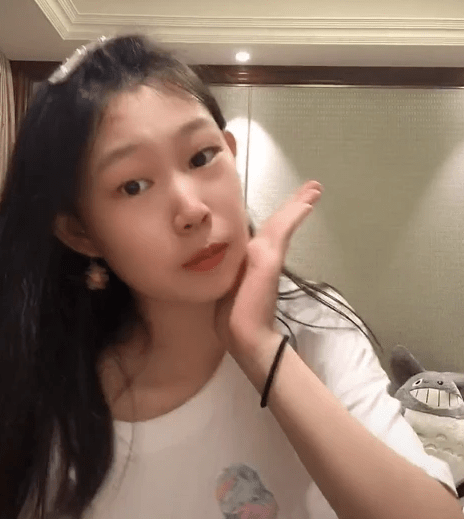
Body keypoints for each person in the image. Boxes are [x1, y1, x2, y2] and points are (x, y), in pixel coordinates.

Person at [0, 35, 461, 519]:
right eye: (134, 185)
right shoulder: (39, 388)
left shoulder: (315, 328)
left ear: (230, 151)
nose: (192, 209)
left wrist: (261, 349)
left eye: (201, 157)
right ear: (81, 232)